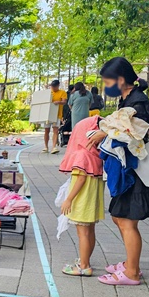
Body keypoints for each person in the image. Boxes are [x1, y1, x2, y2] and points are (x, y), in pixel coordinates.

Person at [86, 57, 149, 286]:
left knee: (126, 219)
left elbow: (132, 134)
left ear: (120, 80)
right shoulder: (127, 99)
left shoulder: (139, 102)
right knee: (121, 217)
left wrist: (104, 134)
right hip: (132, 168)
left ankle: (131, 273)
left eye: (107, 81)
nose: (105, 85)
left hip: (139, 170)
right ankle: (131, 265)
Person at [59, 116, 105, 276]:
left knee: (82, 233)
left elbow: (80, 178)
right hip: (92, 201)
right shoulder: (96, 155)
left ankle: (84, 266)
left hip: (82, 200)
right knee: (90, 231)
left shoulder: (81, 154)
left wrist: (69, 199)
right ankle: (85, 260)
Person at [43, 80, 67, 154]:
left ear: (58, 86)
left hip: (57, 114)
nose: (53, 88)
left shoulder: (62, 92)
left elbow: (64, 101)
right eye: (52, 86)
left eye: (54, 87)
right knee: (46, 130)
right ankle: (46, 147)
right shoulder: (49, 92)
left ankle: (54, 147)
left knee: (55, 130)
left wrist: (58, 102)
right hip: (47, 114)